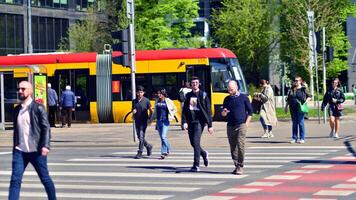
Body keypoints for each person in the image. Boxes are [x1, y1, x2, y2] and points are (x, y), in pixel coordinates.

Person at [9, 81, 56, 200]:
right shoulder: (17, 110)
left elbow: (46, 127)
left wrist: (45, 146)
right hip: (20, 151)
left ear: (30, 91)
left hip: (37, 151)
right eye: (19, 89)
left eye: (23, 89)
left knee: (45, 179)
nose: (20, 91)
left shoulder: (38, 108)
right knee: (15, 180)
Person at [182, 76, 213, 172]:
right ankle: (203, 154)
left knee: (196, 142)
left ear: (199, 84)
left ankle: (196, 165)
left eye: (196, 82)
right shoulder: (188, 95)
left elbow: (208, 111)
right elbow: (184, 110)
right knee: (193, 143)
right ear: (191, 85)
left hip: (199, 122)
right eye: (193, 83)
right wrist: (184, 122)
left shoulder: (203, 95)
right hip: (190, 121)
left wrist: (210, 125)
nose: (194, 84)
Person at [221, 80, 252, 175]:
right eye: (228, 89)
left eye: (231, 89)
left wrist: (246, 123)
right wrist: (224, 113)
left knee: (240, 144)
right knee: (233, 147)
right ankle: (236, 165)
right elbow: (223, 114)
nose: (229, 91)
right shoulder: (226, 99)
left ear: (236, 87)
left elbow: (250, 112)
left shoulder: (244, 98)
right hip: (230, 125)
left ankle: (240, 165)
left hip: (241, 124)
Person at [151, 88, 177, 159]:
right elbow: (155, 111)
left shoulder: (168, 101)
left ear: (163, 94)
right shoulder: (157, 101)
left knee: (163, 136)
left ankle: (164, 152)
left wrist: (171, 114)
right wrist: (151, 119)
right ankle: (168, 149)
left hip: (165, 121)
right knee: (163, 137)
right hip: (159, 121)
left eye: (160, 93)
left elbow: (175, 109)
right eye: (158, 93)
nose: (158, 95)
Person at [285, 76, 312, 144]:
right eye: (295, 80)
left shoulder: (303, 89)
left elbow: (310, 96)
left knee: (300, 123)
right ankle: (294, 138)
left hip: (300, 107)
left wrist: (305, 102)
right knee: (294, 123)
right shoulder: (292, 89)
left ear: (300, 81)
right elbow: (288, 98)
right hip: (292, 107)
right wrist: (286, 107)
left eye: (297, 81)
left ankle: (302, 138)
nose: (296, 82)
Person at [132, 86, 153, 159]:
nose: (140, 93)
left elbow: (150, 110)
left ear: (143, 93)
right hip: (137, 121)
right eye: (138, 92)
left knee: (141, 136)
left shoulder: (146, 100)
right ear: (136, 93)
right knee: (139, 137)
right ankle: (148, 146)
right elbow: (133, 109)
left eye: (141, 92)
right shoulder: (134, 101)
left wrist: (150, 119)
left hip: (144, 121)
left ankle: (140, 152)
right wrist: (133, 112)